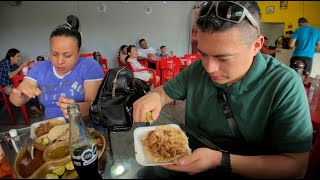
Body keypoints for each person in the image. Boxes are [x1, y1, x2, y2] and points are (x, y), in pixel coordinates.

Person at [133, 1, 312, 179]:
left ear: (256, 46)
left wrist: (221, 160)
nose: (209, 68)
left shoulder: (285, 85)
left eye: (223, 58)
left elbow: (296, 166)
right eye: (203, 54)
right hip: (188, 160)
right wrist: (155, 96)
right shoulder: (197, 69)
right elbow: (164, 92)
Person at [9, 15, 104, 120]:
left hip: (84, 128)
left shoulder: (89, 67)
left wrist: (76, 109)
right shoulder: (41, 68)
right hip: (51, 127)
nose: (59, 62)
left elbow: (94, 105)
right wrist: (17, 95)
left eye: (67, 55)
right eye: (54, 54)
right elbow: (18, 99)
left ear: (78, 52)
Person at [0, 48, 41, 116]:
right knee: (23, 92)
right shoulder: (5, 63)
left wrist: (28, 65)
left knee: (29, 87)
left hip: (13, 84)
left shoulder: (14, 65)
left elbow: (20, 72)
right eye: (18, 56)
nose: (19, 58)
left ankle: (33, 108)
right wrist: (22, 66)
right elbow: (10, 75)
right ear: (11, 57)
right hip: (4, 86)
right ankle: (32, 108)